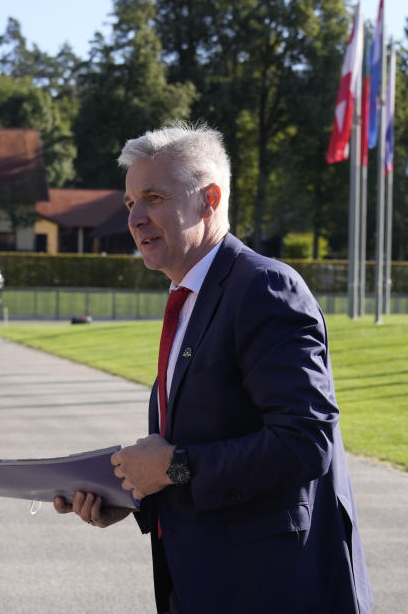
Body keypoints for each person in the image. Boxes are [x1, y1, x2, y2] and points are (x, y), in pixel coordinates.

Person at [54, 122, 372, 614]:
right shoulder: (191, 298)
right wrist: (131, 491)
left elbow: (306, 442)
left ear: (209, 199)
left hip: (271, 588)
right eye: (130, 202)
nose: (135, 219)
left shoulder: (264, 288)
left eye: (154, 198)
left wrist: (174, 466)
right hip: (205, 580)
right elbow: (203, 440)